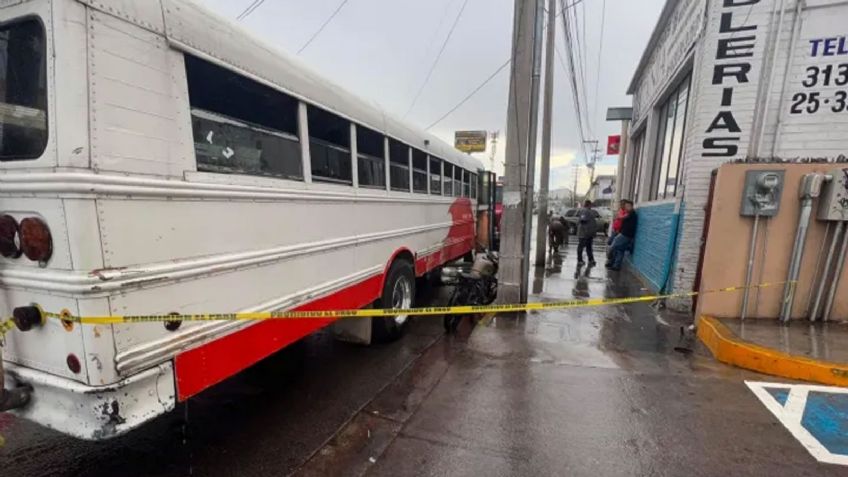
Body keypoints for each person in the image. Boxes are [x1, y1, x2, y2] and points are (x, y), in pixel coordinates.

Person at [607, 200, 638, 271]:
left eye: (628, 206)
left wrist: (619, 216)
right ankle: (616, 266)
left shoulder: (631, 213)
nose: (626, 207)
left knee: (613, 245)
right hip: (625, 234)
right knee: (620, 250)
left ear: (631, 206)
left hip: (625, 234)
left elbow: (621, 218)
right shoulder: (629, 213)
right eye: (626, 206)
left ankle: (610, 256)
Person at [576, 200, 599, 266]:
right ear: (589, 204)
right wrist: (586, 231)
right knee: (581, 246)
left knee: (589, 246)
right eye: (591, 204)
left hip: (588, 233)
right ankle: (580, 260)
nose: (591, 206)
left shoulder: (588, 211)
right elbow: (583, 220)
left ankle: (591, 259)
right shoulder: (585, 210)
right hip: (584, 233)